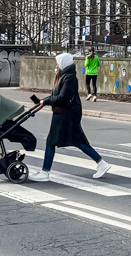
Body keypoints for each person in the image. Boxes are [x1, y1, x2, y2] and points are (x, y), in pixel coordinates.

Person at [29, 52, 110, 182]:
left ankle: (45, 172)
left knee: (52, 141)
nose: (56, 66)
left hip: (66, 114)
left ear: (63, 63)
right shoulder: (65, 76)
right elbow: (58, 95)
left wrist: (47, 101)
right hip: (66, 113)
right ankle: (102, 163)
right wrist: (44, 100)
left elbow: (63, 97)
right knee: (77, 141)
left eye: (57, 63)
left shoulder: (69, 78)